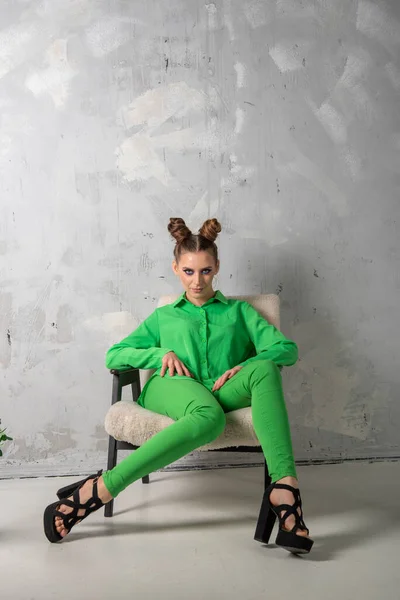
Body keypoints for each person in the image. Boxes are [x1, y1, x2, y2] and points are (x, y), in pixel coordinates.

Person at [44, 217, 313, 554]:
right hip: (171, 386)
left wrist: (248, 363)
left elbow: (286, 350)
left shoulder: (240, 312)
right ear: (175, 268)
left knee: (266, 370)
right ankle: (102, 488)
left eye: (205, 271)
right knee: (208, 417)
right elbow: (115, 355)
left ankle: (284, 487)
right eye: (188, 271)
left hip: (219, 391)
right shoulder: (165, 316)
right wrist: (160, 354)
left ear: (217, 267)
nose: (197, 281)